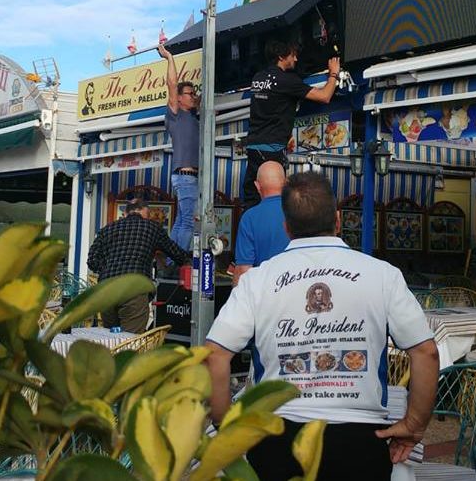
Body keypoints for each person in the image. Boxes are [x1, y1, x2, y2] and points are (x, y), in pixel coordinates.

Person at [205, 173, 439, 481]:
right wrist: (414, 425)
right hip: (359, 441)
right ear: (339, 220)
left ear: (286, 227)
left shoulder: (257, 280)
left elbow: (214, 354)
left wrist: (226, 425)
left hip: (277, 437)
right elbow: (425, 351)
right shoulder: (383, 275)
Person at [242, 40, 341, 208]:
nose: (295, 59)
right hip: (272, 150)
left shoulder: (257, 78)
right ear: (281, 56)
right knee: (275, 201)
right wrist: (333, 75)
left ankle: (250, 231)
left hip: (253, 148)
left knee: (252, 199)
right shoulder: (287, 81)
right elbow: (324, 96)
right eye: (293, 55)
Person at [87, 198, 191, 333]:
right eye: (148, 216)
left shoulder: (107, 229)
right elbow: (178, 254)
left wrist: (109, 268)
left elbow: (92, 261)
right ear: (143, 212)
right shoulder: (152, 228)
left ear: (126, 213)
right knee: (131, 341)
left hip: (107, 290)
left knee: (111, 339)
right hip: (134, 289)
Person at [158, 43, 200, 250]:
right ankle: (178, 260)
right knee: (189, 222)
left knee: (181, 221)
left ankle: (169, 258)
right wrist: (170, 58)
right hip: (186, 175)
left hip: (185, 175)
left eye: (194, 93)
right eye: (189, 93)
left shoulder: (193, 116)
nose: (193, 96)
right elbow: (172, 84)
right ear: (180, 98)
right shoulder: (176, 114)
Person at [232, 161, 289, 285]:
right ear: (285, 183)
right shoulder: (300, 212)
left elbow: (244, 270)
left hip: (265, 296)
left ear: (257, 186)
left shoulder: (249, 218)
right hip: (298, 294)